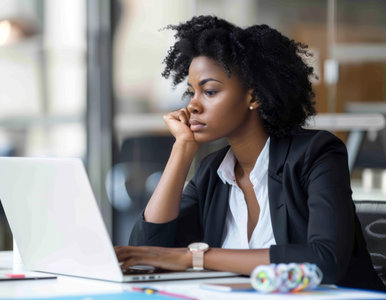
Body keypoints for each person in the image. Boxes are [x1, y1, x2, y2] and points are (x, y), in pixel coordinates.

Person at [114, 15, 385, 291]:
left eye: (209, 91)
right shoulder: (213, 172)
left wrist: (194, 257)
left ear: (253, 97)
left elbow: (323, 260)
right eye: (191, 92)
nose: (192, 106)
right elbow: (146, 253)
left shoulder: (316, 154)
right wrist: (182, 149)